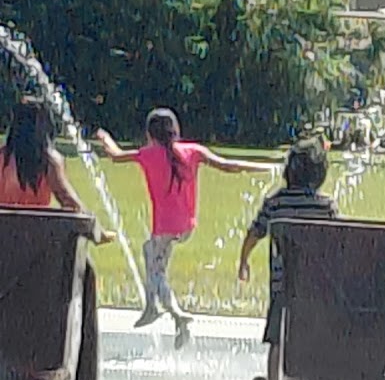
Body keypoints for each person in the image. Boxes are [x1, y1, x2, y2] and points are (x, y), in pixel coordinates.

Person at [96, 107, 273, 349]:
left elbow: (115, 155)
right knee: (153, 258)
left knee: (155, 268)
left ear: (150, 134)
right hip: (186, 227)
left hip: (164, 228)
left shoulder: (147, 154)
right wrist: (264, 167)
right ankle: (167, 318)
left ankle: (173, 313)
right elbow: (228, 165)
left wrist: (105, 137)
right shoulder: (192, 151)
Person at [238, 134, 338, 380]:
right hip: (316, 285)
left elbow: (254, 233)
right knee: (315, 333)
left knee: (277, 337)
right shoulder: (326, 206)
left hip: (283, 284)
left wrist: (243, 261)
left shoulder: (275, 203)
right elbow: (338, 241)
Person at [0, 99, 115, 244]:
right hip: (35, 242)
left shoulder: (2, 158)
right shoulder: (49, 161)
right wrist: (96, 230)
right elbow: (69, 201)